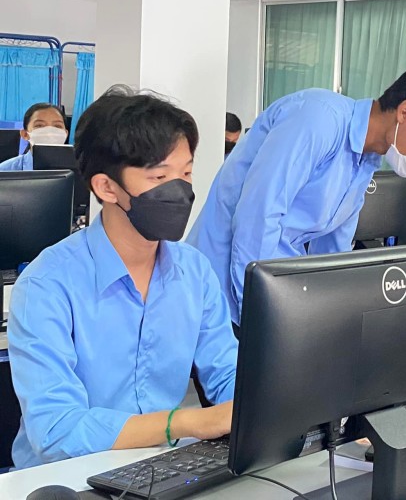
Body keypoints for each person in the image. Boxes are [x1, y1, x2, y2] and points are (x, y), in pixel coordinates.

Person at [7, 87, 239, 469]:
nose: (180, 191)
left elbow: (227, 371)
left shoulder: (194, 272)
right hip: (66, 480)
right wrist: (184, 423)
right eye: (160, 176)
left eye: (186, 173)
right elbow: (56, 431)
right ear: (106, 187)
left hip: (164, 468)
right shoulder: (46, 285)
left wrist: (259, 406)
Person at [188, 56, 406, 326]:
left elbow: (332, 251)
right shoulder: (319, 119)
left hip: (268, 292)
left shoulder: (366, 159)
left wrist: (332, 316)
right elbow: (257, 221)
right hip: (222, 290)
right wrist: (259, 319)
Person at [0, 102, 68, 171]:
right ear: (25, 134)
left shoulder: (74, 168)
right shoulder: (5, 170)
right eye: (39, 125)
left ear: (66, 134)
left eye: (57, 126)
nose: (49, 132)